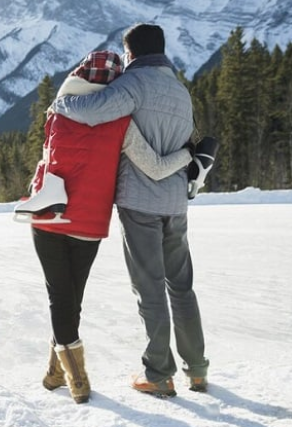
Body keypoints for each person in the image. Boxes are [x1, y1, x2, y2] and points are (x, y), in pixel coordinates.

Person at [21, 50, 192, 404]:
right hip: (90, 224)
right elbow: (156, 167)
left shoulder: (59, 111)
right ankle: (57, 372)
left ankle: (77, 379)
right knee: (72, 298)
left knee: (60, 296)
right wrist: (189, 155)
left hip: (50, 217)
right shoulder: (123, 123)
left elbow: (45, 161)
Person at [52, 23, 210, 398]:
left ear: (131, 53)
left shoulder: (133, 83)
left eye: (125, 54)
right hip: (175, 203)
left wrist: (61, 103)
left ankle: (157, 373)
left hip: (140, 201)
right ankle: (198, 370)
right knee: (181, 286)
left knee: (150, 288)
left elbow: (92, 112)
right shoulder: (180, 91)